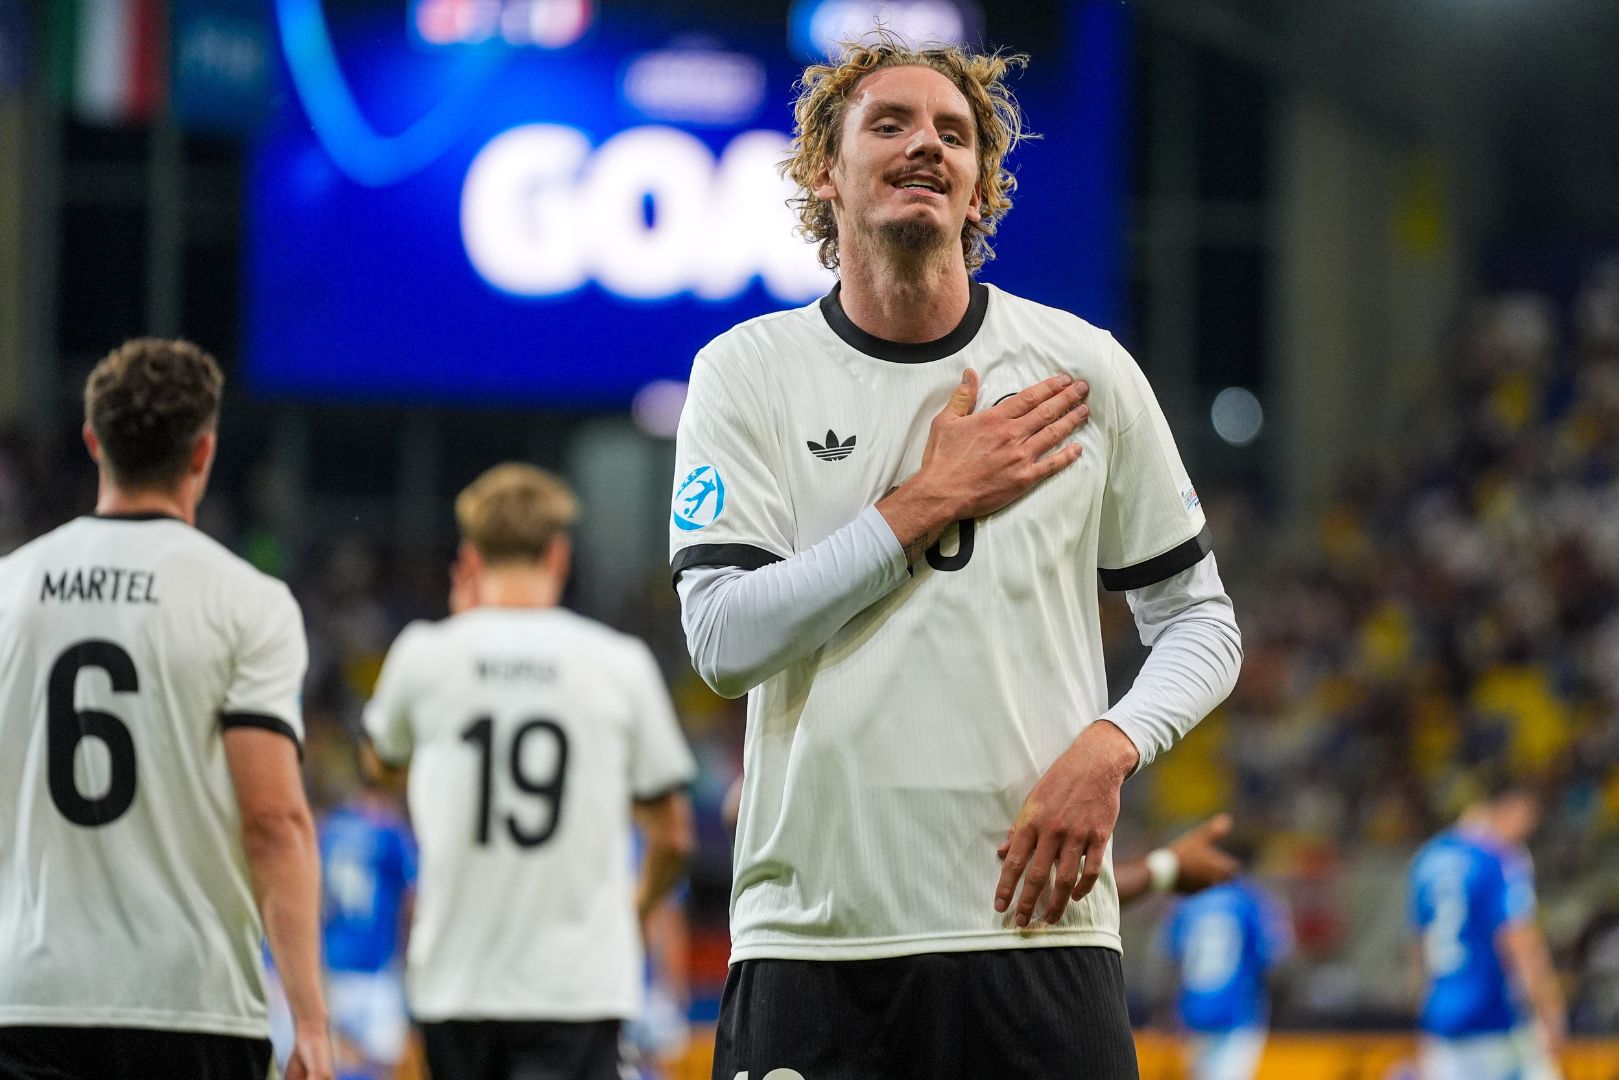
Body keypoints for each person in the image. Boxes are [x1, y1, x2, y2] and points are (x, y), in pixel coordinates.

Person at [670, 38, 1242, 1078]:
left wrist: (1110, 744)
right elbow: (722, 638)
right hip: (816, 943)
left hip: (1036, 938)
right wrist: (926, 500)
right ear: (821, 172)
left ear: (980, 188)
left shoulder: (1080, 368)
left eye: (953, 133)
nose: (924, 144)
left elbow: (1200, 620)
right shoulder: (746, 373)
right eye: (887, 124)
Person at [0, 338, 333, 1079]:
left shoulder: (8, 589)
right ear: (203, 452)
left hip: (27, 999)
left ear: (93, 442)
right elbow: (273, 822)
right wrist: (309, 1018)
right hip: (192, 1006)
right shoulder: (247, 601)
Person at [364, 463, 698, 1080]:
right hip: (576, 988)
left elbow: (381, 766)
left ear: (469, 557)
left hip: (454, 986)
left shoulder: (425, 655)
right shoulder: (618, 665)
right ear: (559, 555)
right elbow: (673, 836)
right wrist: (634, 907)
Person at [1409, 776, 1567, 1080]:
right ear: (1513, 809)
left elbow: (1419, 950)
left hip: (1442, 1018)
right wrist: (1549, 1010)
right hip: (1494, 1017)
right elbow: (1519, 940)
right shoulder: (1498, 857)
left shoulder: (1426, 859)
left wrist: (1425, 1020)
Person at [319, 743, 417, 1080]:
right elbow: (411, 900)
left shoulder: (331, 827)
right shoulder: (392, 833)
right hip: (377, 970)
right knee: (382, 1068)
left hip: (333, 966)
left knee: (337, 1063)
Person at [1161, 833, 1291, 1080]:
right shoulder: (1252, 900)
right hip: (1236, 1013)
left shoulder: (1189, 901)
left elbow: (1171, 957)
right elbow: (1272, 955)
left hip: (1192, 1011)